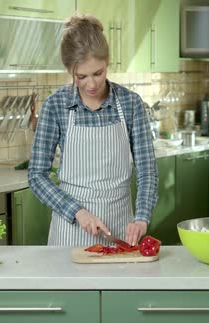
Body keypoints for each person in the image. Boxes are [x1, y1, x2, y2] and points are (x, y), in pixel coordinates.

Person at [28, 14, 158, 247]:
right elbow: (37, 176)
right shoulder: (56, 106)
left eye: (98, 73)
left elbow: (148, 171)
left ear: (107, 63)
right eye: (81, 76)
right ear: (70, 71)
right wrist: (77, 212)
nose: (91, 84)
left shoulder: (130, 104)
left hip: (120, 229)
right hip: (70, 231)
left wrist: (141, 218)